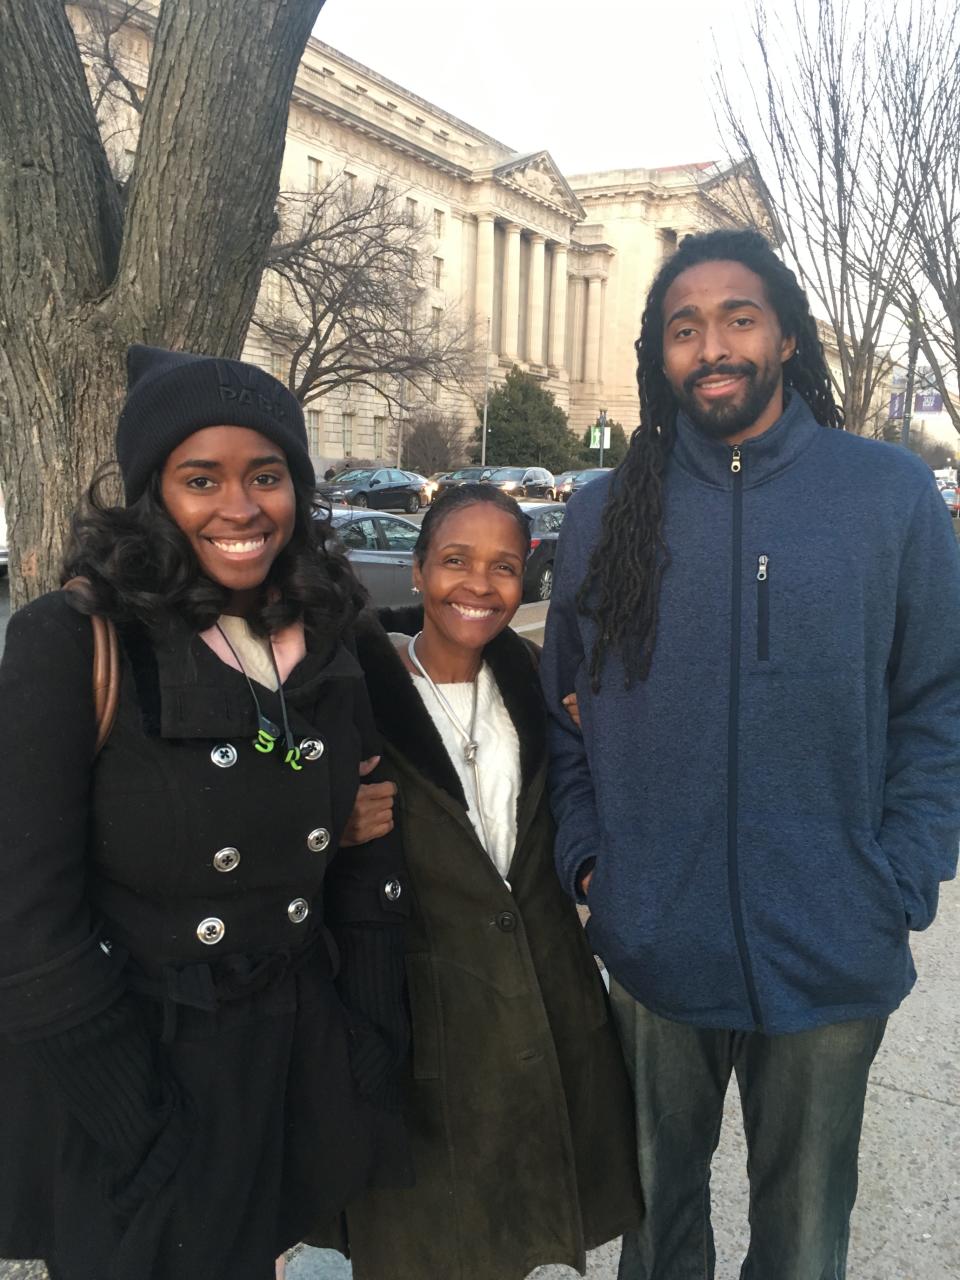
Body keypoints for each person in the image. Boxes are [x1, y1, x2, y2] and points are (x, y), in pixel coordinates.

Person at [541, 228, 960, 1279]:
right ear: (660, 353)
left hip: (833, 947)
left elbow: (938, 700)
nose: (712, 345)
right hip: (653, 942)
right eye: (685, 327)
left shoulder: (890, 497)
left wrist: (900, 874)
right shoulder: (603, 515)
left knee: (805, 1240)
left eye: (737, 318)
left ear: (784, 334)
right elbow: (566, 710)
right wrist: (595, 866)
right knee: (658, 1232)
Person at [0, 346, 410, 1280]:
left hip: (285, 1056)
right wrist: (134, 1119)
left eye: (266, 476)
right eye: (202, 478)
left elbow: (375, 840)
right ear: (154, 494)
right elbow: (26, 921)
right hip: (137, 1068)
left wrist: (369, 1035)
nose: (240, 507)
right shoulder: (74, 640)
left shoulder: (328, 626)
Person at [319, 483, 642, 1280]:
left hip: (542, 1000)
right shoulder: (355, 694)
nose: (478, 585)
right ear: (421, 570)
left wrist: (601, 724)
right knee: (427, 1242)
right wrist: (331, 823)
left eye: (503, 566)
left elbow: (584, 794)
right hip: (420, 1012)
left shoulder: (533, 682)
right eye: (456, 561)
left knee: (518, 1231)